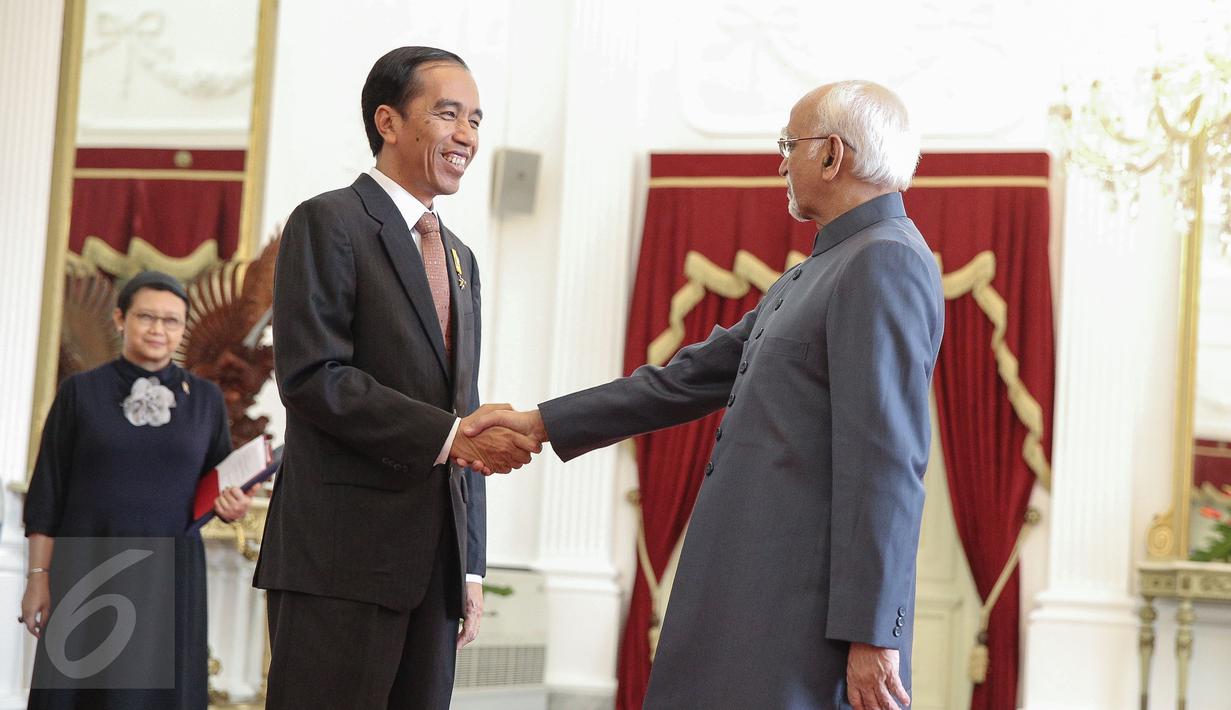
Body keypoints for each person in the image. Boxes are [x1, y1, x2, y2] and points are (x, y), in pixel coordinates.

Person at [463, 81, 943, 710]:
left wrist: (873, 634)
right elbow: (685, 378)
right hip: (748, 602)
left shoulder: (886, 261)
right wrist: (539, 422)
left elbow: (888, 461)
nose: (781, 162)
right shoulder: (814, 271)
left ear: (831, 155)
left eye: (788, 145)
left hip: (805, 621)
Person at [253, 46, 538, 710]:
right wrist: (449, 436)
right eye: (448, 114)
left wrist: (468, 564)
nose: (466, 135)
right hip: (340, 561)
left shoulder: (460, 256)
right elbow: (313, 376)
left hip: (434, 574)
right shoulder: (329, 222)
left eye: (475, 119)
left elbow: (462, 406)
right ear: (388, 121)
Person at [20, 270, 252, 710]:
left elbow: (220, 484)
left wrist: (233, 505)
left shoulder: (206, 400)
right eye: (147, 317)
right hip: (87, 566)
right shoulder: (79, 393)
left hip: (170, 575)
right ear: (120, 318)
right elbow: (46, 494)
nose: (159, 330)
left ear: (183, 328)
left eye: (171, 321)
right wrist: (37, 579)